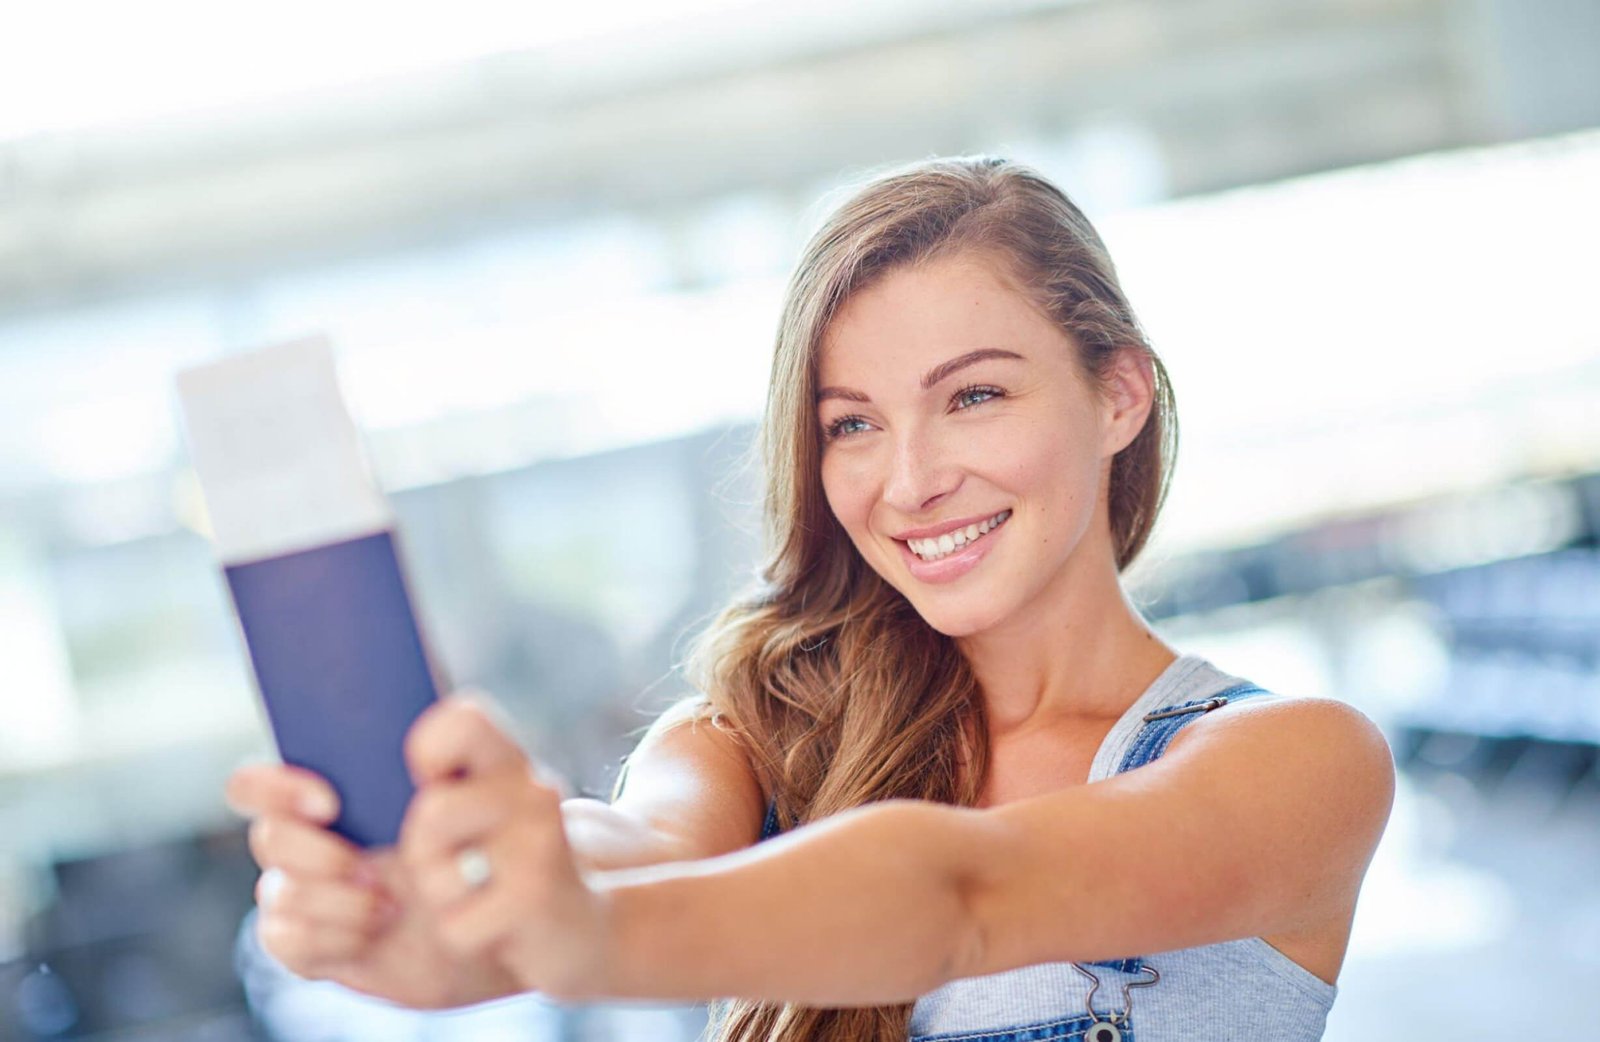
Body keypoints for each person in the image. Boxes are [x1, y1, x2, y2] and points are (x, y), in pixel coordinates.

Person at [226, 155, 1395, 1042]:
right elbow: (632, 850)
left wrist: (581, 932)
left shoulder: (1297, 765)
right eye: (851, 424)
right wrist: (436, 881)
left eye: (974, 396)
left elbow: (960, 895)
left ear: (1119, 395)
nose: (911, 479)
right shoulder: (756, 734)